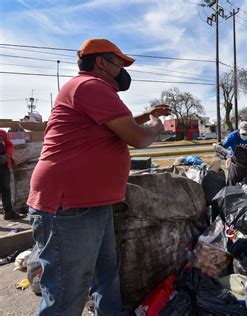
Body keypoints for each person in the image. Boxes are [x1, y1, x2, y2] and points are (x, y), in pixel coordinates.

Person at [26, 38, 170, 315]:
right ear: (101, 63)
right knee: (66, 293)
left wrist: (146, 114)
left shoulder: (93, 90)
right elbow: (139, 138)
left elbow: (121, 124)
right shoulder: (91, 86)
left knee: (106, 276)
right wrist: (155, 124)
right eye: (120, 63)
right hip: (69, 207)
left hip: (91, 204)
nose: (124, 70)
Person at [0, 130, 21, 220]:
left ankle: (8, 213)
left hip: (3, 166)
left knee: (6, 190)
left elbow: (9, 145)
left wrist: (7, 155)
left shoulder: (2, 133)